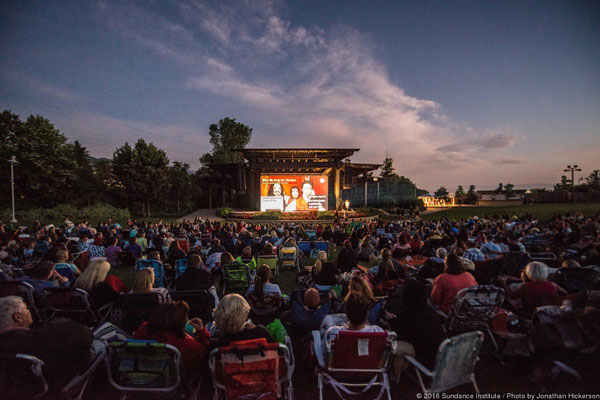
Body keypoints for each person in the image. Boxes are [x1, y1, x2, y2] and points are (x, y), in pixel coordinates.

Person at [0, 296, 94, 391]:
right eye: (26, 308)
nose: (29, 311)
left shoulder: (7, 343)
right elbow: (83, 333)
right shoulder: (37, 338)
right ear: (18, 317)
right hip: (53, 388)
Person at [134, 301, 209, 373]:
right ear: (180, 323)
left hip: (143, 373)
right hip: (173, 379)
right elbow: (203, 353)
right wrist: (201, 331)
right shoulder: (184, 343)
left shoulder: (143, 329)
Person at [389, 279, 446, 370]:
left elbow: (400, 335)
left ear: (405, 297)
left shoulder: (411, 316)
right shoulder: (429, 312)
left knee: (392, 345)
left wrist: (392, 321)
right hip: (438, 358)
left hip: (424, 362)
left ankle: (393, 377)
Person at [498, 262, 567, 311]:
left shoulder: (526, 286)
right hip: (548, 311)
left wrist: (504, 283)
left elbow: (512, 296)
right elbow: (565, 293)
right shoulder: (552, 284)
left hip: (530, 312)